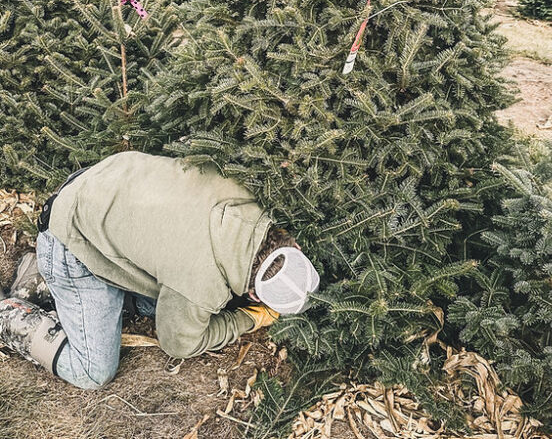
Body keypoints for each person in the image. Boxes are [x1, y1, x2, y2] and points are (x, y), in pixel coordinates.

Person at [0, 152, 320, 389]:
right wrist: (248, 318)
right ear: (252, 294)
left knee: (165, 304)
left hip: (101, 184)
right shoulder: (201, 283)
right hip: (69, 238)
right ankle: (11, 317)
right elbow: (178, 343)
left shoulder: (245, 199)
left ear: (293, 246)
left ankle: (43, 277)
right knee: (93, 371)